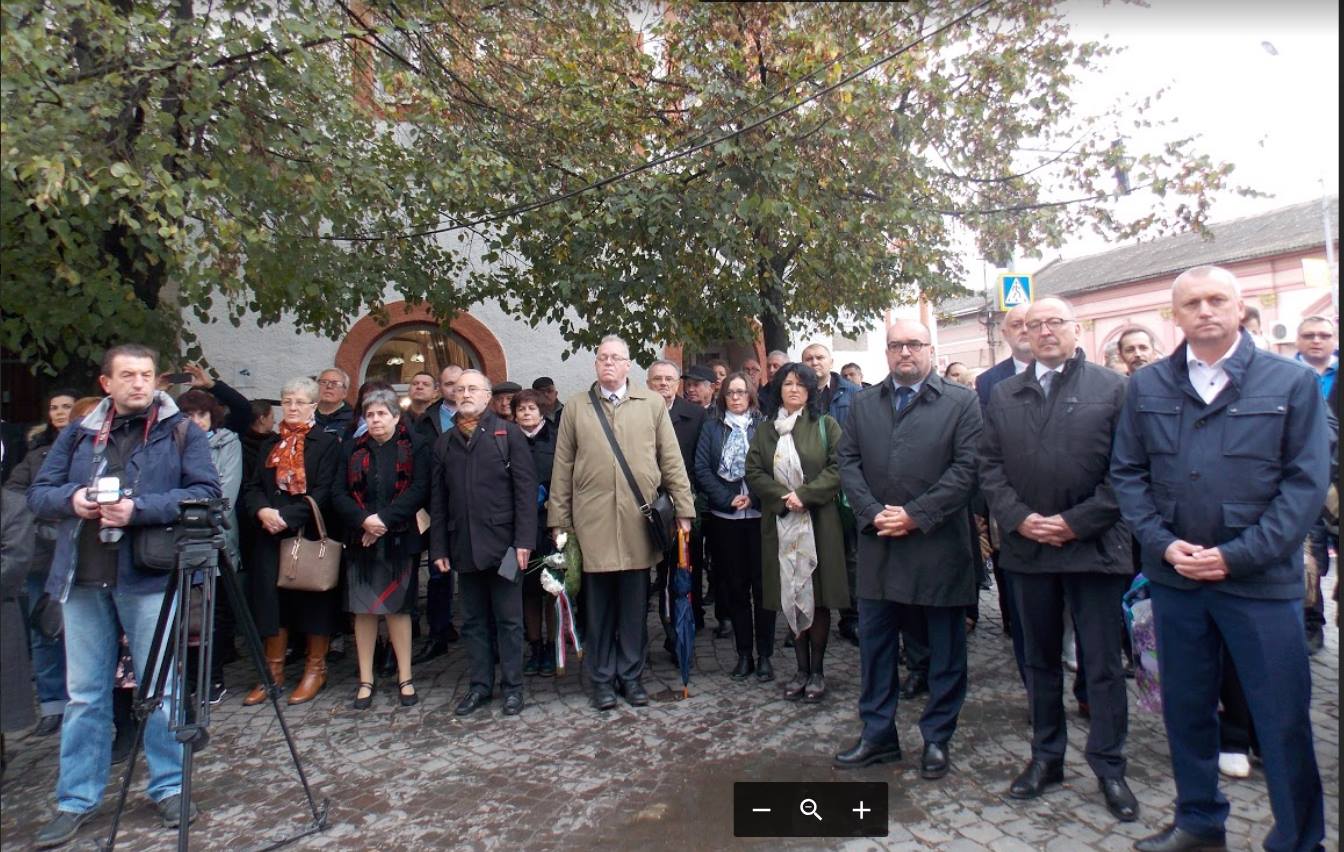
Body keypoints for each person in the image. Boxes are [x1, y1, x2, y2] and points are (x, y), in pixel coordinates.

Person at [1111, 265, 1330, 852]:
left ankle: (1298, 838)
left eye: (1216, 300)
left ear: (1240, 307)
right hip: (1176, 579)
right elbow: (1128, 474)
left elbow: (1305, 485)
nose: (1205, 311)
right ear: (1174, 316)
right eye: (1192, 303)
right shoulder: (1148, 385)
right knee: (1186, 710)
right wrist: (1161, 543)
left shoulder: (1290, 383)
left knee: (1280, 719)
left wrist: (1236, 556)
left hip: (1259, 584)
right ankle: (1199, 821)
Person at [26, 344, 221, 848]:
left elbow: (204, 493)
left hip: (148, 575)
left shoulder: (180, 431)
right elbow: (38, 492)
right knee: (85, 696)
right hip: (83, 575)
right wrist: (72, 499)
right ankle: (76, 800)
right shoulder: (79, 432)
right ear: (106, 382)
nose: (140, 383)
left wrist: (139, 509)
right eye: (129, 375)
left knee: (162, 690)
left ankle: (171, 786)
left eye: (148, 375)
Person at [977, 298, 1139, 821]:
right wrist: (1020, 518)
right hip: (1028, 551)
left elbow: (1129, 470)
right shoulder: (1003, 393)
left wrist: (1075, 522)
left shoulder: (1113, 389)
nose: (1043, 332)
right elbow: (989, 467)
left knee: (1102, 664)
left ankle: (1110, 767)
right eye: (1032, 324)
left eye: (1054, 323)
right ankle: (1047, 758)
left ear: (1076, 329)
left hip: (1094, 550)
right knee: (1039, 661)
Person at [831, 321, 980, 781]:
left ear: (930, 350)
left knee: (943, 649)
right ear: (887, 352)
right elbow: (848, 462)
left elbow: (967, 468)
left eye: (914, 344)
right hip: (879, 546)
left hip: (937, 546)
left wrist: (916, 513)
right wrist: (874, 512)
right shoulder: (864, 403)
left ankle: (937, 737)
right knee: (875, 648)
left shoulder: (961, 401)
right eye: (896, 345)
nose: (905, 353)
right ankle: (878, 734)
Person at [547, 336, 695, 711]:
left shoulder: (651, 405)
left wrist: (684, 510)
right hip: (592, 523)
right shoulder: (578, 407)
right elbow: (562, 467)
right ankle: (601, 680)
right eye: (602, 358)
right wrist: (559, 521)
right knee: (597, 609)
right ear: (596, 364)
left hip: (636, 523)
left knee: (633, 608)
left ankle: (631, 677)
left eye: (616, 358)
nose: (609, 364)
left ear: (629, 365)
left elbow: (671, 459)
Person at [430, 370, 537, 716]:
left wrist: (524, 542)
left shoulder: (508, 435)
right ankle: (479, 685)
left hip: (506, 547)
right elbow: (439, 500)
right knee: (473, 621)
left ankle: (512, 687)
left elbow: (524, 492)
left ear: (488, 395)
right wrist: (439, 548)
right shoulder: (445, 442)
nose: (465, 394)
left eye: (472, 388)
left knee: (509, 619)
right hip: (463, 547)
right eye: (459, 389)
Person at [745, 363, 847, 703]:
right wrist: (781, 498)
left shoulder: (825, 425)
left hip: (819, 524)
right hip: (780, 522)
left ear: (810, 390)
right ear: (778, 389)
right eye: (787, 384)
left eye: (800, 384)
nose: (793, 389)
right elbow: (754, 471)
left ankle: (817, 671)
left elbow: (839, 466)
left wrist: (805, 494)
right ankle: (800, 670)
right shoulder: (765, 431)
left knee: (815, 597)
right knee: (789, 593)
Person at [240, 375, 343, 706]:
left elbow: (325, 491)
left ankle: (316, 669)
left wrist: (289, 516)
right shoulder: (271, 444)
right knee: (272, 603)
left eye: (300, 401)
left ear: (313, 406)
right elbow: (253, 486)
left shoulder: (325, 444)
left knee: (313, 602)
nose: (293, 407)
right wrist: (263, 512)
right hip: (270, 533)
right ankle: (273, 672)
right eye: (287, 401)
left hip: (308, 532)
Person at [333, 389, 429, 710]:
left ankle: (405, 677)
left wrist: (383, 521)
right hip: (361, 539)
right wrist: (364, 521)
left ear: (395, 416)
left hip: (399, 538)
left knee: (398, 610)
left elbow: (418, 489)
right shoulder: (350, 449)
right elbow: (338, 494)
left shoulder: (414, 446)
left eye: (381, 414)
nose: (374, 420)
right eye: (369, 414)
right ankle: (365, 679)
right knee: (364, 612)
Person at [695, 373, 773, 682]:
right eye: (731, 393)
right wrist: (728, 499)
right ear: (723, 397)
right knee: (736, 588)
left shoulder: (765, 427)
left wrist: (753, 497)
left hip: (759, 517)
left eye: (742, 392)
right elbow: (701, 467)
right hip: (726, 519)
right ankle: (744, 654)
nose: (737, 398)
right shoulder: (712, 427)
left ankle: (764, 654)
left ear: (751, 395)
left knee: (763, 588)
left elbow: (775, 466)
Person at [973, 302, 1033, 681]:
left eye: (1034, 322)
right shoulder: (991, 381)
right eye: (1017, 324)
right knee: (1020, 589)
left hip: (1074, 512)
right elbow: (986, 447)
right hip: (1010, 502)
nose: (1028, 329)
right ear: (1006, 333)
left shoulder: (1094, 380)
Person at [14, 389, 79, 736]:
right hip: (42, 552)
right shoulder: (36, 454)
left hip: (79, 552)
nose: (59, 412)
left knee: (80, 630)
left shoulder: (88, 448)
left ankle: (80, 698)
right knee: (44, 629)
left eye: (66, 406)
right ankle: (53, 704)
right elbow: (16, 493)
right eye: (53, 407)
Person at [175, 390, 244, 703]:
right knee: (181, 615)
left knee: (209, 615)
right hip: (176, 541)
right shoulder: (171, 446)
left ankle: (211, 679)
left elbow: (225, 495)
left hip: (214, 539)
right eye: (188, 416)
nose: (195, 422)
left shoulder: (227, 443)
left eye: (201, 415)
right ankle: (186, 679)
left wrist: (195, 518)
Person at [800, 343, 863, 646]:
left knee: (849, 553)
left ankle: (852, 617)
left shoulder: (853, 394)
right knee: (809, 553)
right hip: (810, 489)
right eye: (808, 359)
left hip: (847, 484)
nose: (814, 363)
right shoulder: (799, 396)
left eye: (819, 357)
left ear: (831, 361)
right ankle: (808, 617)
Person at [648, 360, 709, 639]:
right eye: (657, 379)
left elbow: (701, 458)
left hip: (684, 502)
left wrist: (687, 494)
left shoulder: (696, 415)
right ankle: (665, 622)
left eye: (669, 379)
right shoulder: (638, 413)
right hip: (648, 503)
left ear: (677, 384)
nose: (663, 384)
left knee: (687, 566)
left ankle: (687, 626)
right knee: (659, 571)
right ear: (649, 384)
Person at [411, 364, 463, 662]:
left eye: (458, 383)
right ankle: (439, 633)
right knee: (438, 573)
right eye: (447, 384)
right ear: (439, 389)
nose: (454, 389)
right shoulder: (426, 422)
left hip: (470, 507)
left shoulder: (481, 417)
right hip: (436, 508)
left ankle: (476, 629)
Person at [1295, 315, 1338, 655]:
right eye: (1309, 335)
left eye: (1324, 335)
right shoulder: (1287, 375)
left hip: (1334, 479)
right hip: (1301, 480)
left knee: (1320, 555)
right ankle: (1311, 623)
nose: (1316, 340)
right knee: (1309, 551)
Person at [513, 390, 558, 676]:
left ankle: (553, 645)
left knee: (552, 588)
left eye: (531, 408)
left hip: (550, 523)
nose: (526, 413)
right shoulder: (507, 438)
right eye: (521, 409)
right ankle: (536, 645)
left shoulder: (556, 437)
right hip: (519, 526)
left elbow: (567, 475)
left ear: (542, 411)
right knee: (528, 591)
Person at [314, 368, 355, 437]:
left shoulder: (353, 420)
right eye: (324, 382)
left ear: (345, 393)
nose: (329, 386)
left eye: (335, 383)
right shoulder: (305, 415)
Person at [759, 350, 789, 417]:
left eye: (776, 366)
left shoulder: (794, 392)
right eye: (768, 366)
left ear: (786, 369)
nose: (771, 370)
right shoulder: (759, 397)